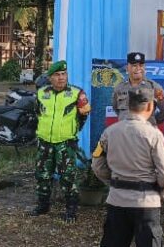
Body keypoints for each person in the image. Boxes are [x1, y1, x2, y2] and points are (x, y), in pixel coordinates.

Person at [93, 86, 164, 247]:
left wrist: (114, 183)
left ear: (128, 104)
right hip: (146, 202)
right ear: (150, 106)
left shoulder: (109, 132)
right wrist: (162, 193)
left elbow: (97, 165)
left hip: (117, 199)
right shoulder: (154, 135)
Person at [32, 60, 91, 223]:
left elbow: (84, 115)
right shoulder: (41, 93)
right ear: (50, 77)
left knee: (68, 177)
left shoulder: (77, 93)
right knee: (42, 175)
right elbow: (37, 113)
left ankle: (71, 210)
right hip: (44, 142)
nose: (61, 78)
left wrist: (72, 131)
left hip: (66, 143)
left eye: (64, 74)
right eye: (57, 75)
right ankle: (43, 206)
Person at [112, 52, 164, 126]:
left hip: (145, 131)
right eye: (134, 66)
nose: (138, 69)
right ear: (127, 68)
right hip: (125, 131)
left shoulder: (154, 87)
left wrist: (152, 123)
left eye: (141, 65)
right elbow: (116, 109)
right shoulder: (119, 88)